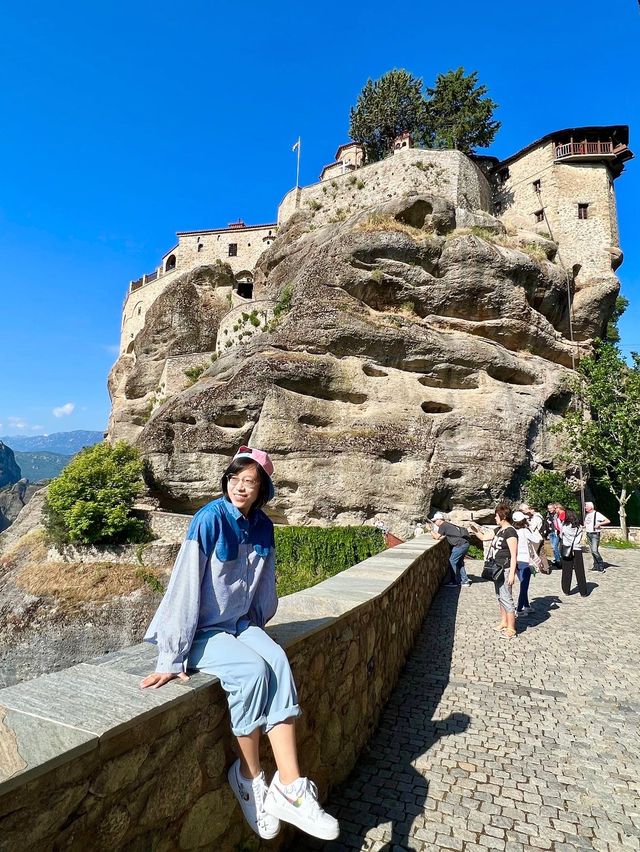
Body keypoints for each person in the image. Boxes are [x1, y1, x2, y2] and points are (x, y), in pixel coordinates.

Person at [140, 446, 339, 842]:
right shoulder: (209, 519)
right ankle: (248, 778)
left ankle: (290, 786)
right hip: (201, 631)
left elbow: (264, 583)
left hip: (238, 624)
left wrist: (259, 626)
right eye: (235, 478)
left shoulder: (263, 526)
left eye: (251, 481)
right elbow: (183, 586)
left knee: (277, 661)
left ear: (263, 489)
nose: (241, 487)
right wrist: (171, 655)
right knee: (251, 671)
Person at [470, 505, 518, 638]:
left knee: (507, 598)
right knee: (499, 596)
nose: (495, 518)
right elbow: (484, 537)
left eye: (496, 515)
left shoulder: (510, 532)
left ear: (503, 516)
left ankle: (511, 629)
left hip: (506, 568)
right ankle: (504, 621)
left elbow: (514, 555)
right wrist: (474, 529)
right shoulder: (499, 530)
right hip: (497, 568)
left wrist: (512, 574)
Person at [511, 510, 542, 617]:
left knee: (523, 583)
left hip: (515, 560)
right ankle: (519, 608)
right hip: (524, 560)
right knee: (524, 586)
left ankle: (527, 605)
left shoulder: (512, 530)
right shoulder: (525, 531)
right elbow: (537, 540)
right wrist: (533, 529)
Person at [429, 512, 472, 587]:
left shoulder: (443, 525)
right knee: (459, 562)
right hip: (465, 543)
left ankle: (454, 581)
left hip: (460, 545)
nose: (434, 523)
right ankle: (465, 581)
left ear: (439, 520)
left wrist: (430, 530)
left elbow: (437, 537)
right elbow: (442, 536)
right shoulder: (448, 525)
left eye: (435, 521)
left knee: (452, 561)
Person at [559, 509, 588, 597]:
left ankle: (566, 590)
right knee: (580, 571)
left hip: (567, 549)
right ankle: (583, 591)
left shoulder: (564, 526)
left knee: (566, 571)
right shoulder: (579, 526)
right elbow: (581, 536)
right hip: (577, 549)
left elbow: (561, 536)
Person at [584, 501, 610, 572]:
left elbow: (607, 521)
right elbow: (586, 523)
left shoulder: (597, 514)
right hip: (588, 533)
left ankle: (601, 564)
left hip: (595, 534)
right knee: (592, 551)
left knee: (595, 550)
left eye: (586, 506)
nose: (585, 507)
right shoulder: (587, 515)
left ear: (591, 507)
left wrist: (599, 524)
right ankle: (595, 565)